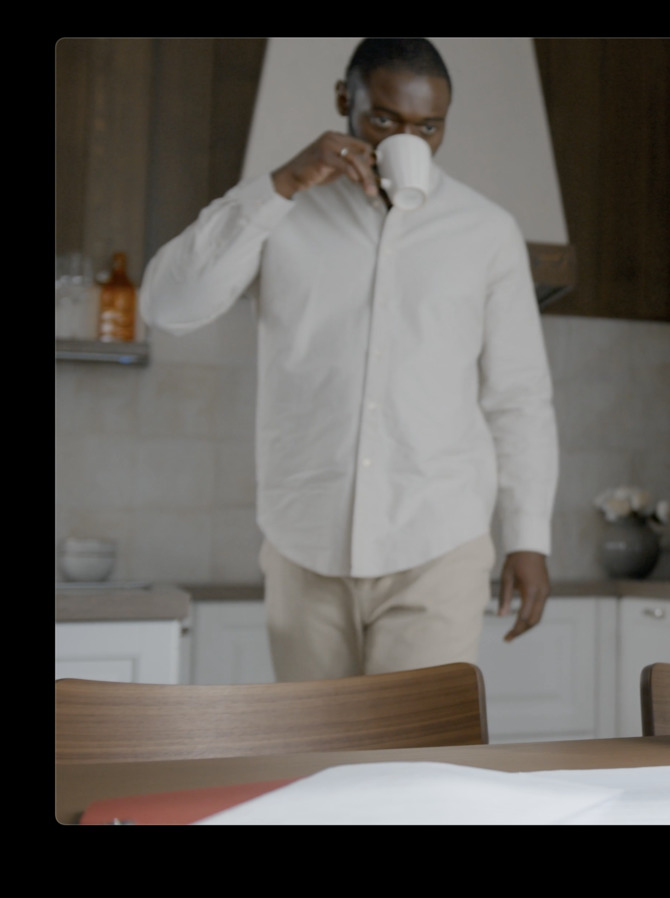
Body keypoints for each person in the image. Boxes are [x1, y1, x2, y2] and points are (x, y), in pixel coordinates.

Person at [142, 38, 558, 681]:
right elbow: (168, 305)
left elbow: (518, 395)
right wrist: (279, 185)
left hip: (438, 543)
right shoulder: (279, 211)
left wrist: (528, 535)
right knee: (313, 764)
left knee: (419, 767)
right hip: (302, 545)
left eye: (428, 126)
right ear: (345, 99)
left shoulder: (488, 232)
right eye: (384, 120)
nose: (407, 139)